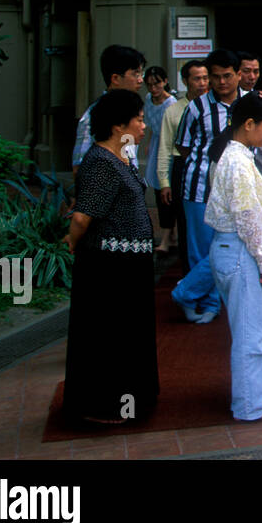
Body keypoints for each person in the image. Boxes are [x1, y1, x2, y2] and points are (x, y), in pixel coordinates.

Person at [61, 89, 158, 426]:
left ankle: (132, 402)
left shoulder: (123, 157)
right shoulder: (100, 162)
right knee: (110, 338)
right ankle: (102, 407)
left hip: (131, 265)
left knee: (130, 336)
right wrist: (70, 243)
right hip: (108, 268)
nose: (144, 126)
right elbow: (82, 217)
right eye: (139, 119)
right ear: (119, 125)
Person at [205, 92, 262, 422]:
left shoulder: (237, 156)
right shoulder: (237, 161)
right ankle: (249, 404)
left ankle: (252, 397)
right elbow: (248, 218)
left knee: (257, 327)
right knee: (254, 331)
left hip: (234, 250)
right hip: (239, 251)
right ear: (248, 124)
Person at [171, 48, 245, 324]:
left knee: (227, 246)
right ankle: (202, 301)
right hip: (199, 186)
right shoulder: (196, 107)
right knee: (200, 249)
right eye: (215, 77)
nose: (222, 82)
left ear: (239, 75)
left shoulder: (250, 103)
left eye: (227, 76)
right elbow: (182, 145)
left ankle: (193, 295)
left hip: (237, 189)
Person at [157, 59, 208, 259]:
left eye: (205, 78)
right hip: (183, 165)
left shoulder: (216, 106)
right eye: (197, 79)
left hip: (209, 168)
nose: (202, 83)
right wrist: (164, 182)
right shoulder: (174, 110)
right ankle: (188, 272)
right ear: (185, 81)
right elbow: (165, 147)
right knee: (186, 222)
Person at [72, 44, 146, 173]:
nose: (140, 80)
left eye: (141, 74)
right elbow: (79, 167)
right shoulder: (93, 116)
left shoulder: (133, 111)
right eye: (135, 74)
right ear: (115, 78)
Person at [142, 66, 178, 252]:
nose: (153, 88)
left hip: (168, 146)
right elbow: (149, 124)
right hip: (156, 143)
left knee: (166, 189)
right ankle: (169, 235)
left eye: (157, 84)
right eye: (150, 85)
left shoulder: (171, 103)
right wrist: (149, 142)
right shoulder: (149, 100)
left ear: (164, 81)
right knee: (157, 187)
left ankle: (166, 236)